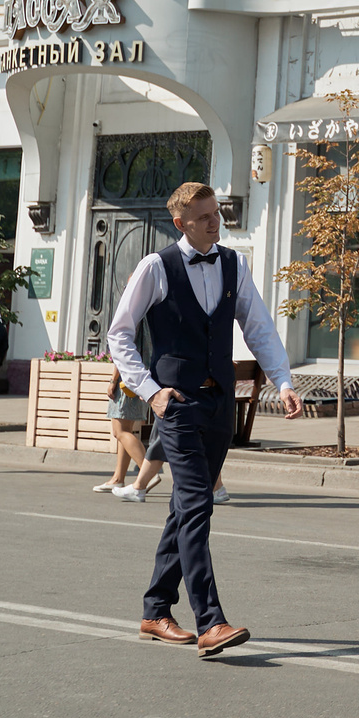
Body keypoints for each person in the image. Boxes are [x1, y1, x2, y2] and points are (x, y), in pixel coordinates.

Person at [106, 181, 302, 657]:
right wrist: (151, 393)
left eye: (216, 213)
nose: (215, 223)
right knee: (197, 504)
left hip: (219, 407)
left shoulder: (233, 263)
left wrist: (284, 380)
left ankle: (155, 611)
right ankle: (210, 620)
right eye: (203, 217)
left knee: (184, 509)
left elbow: (257, 326)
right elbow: (119, 334)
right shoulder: (157, 267)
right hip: (176, 406)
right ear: (180, 223)